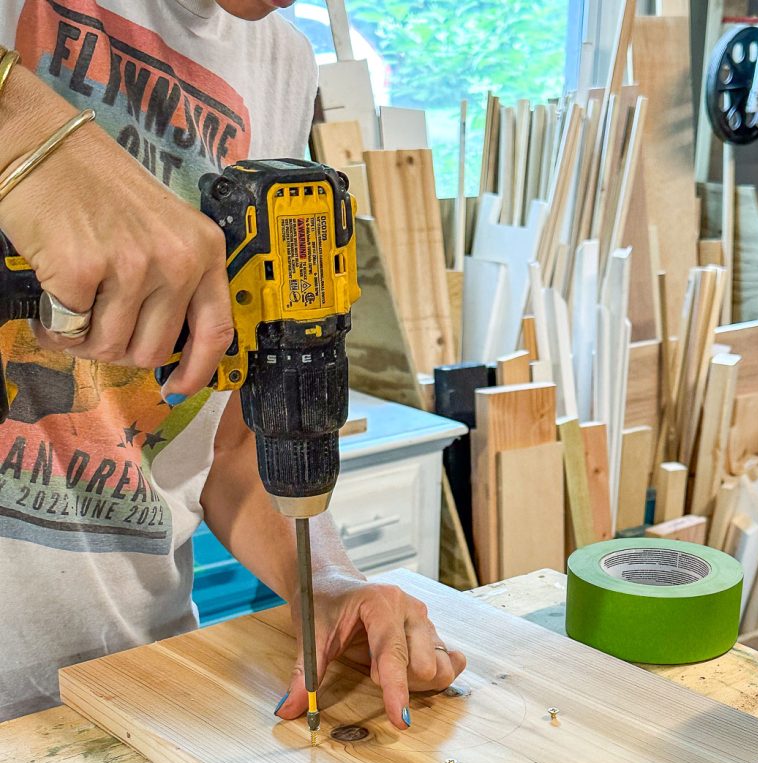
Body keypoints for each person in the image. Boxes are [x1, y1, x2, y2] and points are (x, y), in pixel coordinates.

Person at [0, 0, 465, 724]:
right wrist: (30, 133)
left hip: (143, 679)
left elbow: (230, 447)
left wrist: (327, 581)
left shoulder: (279, 61)